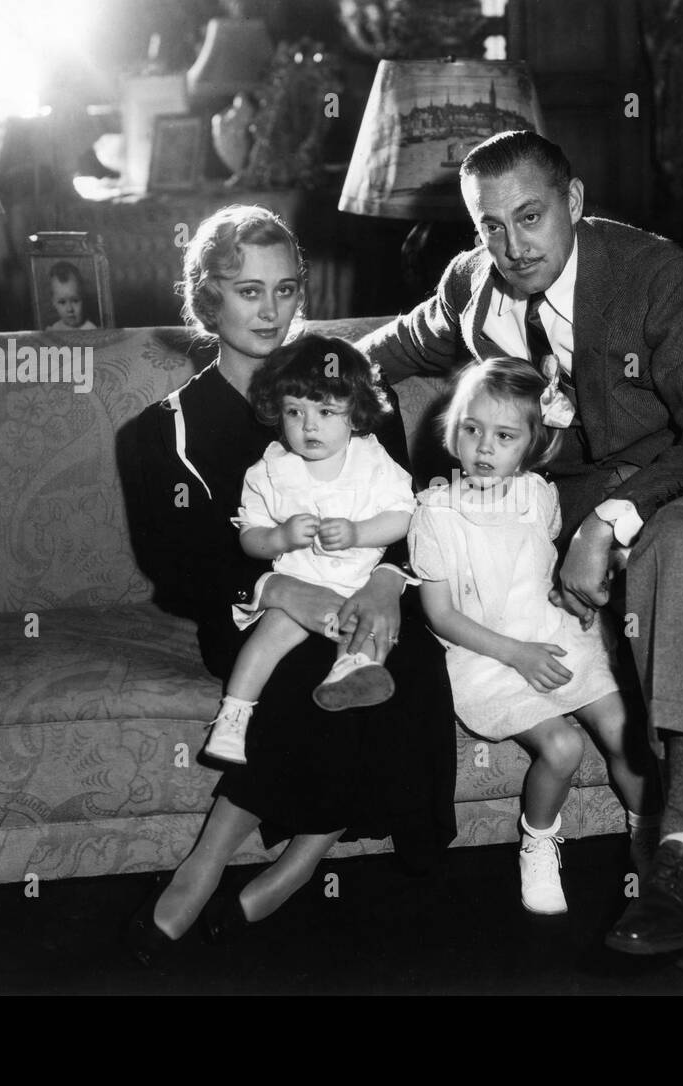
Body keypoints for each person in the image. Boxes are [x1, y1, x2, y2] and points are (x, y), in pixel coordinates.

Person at [360, 130, 683, 984]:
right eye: (490, 227)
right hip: (586, 490)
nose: (513, 246)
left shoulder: (657, 277)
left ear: (574, 200)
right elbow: (389, 348)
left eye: (530, 218)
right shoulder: (471, 284)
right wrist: (289, 362)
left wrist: (607, 521)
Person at [119, 204, 456, 965]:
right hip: (250, 621)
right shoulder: (160, 431)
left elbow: (409, 511)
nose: (269, 311)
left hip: (364, 591)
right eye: (246, 291)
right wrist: (274, 591)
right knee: (307, 671)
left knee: (407, 663)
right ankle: (211, 861)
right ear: (207, 298)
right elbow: (176, 570)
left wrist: (390, 581)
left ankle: (301, 859)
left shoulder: (355, 391)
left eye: (284, 289)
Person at [409, 357, 660, 914]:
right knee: (564, 745)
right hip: (488, 655)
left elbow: (537, 566)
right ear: (452, 428)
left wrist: (566, 596)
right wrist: (516, 654)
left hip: (553, 635)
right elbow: (441, 616)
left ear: (532, 444)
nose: (483, 447)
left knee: (627, 734)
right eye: (471, 429)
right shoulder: (434, 513)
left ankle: (651, 841)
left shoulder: (539, 496)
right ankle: (540, 841)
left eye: (504, 435)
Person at [203, 336, 415, 765]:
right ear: (278, 414)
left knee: (365, 626)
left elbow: (404, 516)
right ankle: (233, 717)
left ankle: (348, 672)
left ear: (355, 414)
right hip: (297, 582)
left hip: (358, 582)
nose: (309, 426)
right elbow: (250, 535)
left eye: (325, 412)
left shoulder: (372, 460)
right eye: (294, 412)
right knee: (270, 635)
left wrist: (358, 532)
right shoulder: (271, 470)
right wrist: (280, 538)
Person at [45, 261, 97, 330]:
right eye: (62, 302)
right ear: (53, 303)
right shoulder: (54, 330)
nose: (70, 309)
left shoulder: (91, 330)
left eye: (75, 301)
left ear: (83, 298)